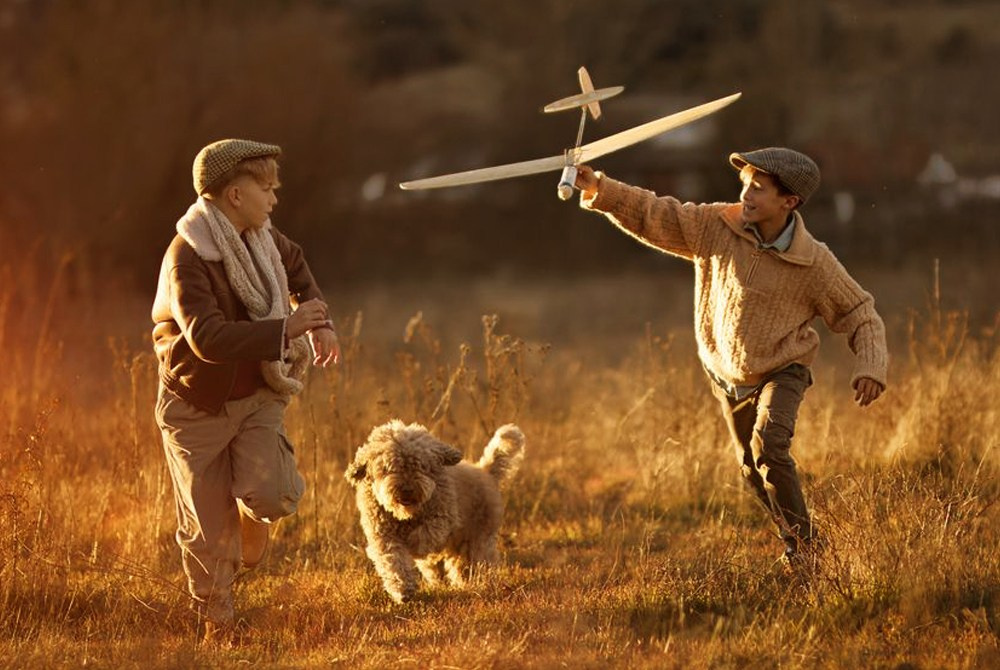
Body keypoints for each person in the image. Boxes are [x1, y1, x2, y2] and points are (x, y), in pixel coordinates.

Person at [574, 147, 887, 571]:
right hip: (726, 371)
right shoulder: (715, 226)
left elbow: (859, 313)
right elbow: (656, 213)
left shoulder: (814, 262)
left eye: (758, 188)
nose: (746, 194)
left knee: (769, 445)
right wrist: (601, 189)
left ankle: (809, 551)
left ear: (789, 202)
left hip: (783, 367)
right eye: (745, 184)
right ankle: (791, 535)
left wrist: (870, 366)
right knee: (751, 471)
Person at [151, 139, 340, 641]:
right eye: (267, 187)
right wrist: (287, 329)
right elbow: (208, 338)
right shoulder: (186, 257)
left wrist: (320, 324)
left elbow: (297, 272)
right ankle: (219, 626)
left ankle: (248, 506)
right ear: (235, 194)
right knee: (206, 533)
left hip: (257, 393)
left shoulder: (262, 238)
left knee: (273, 496)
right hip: (197, 404)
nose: (274, 198)